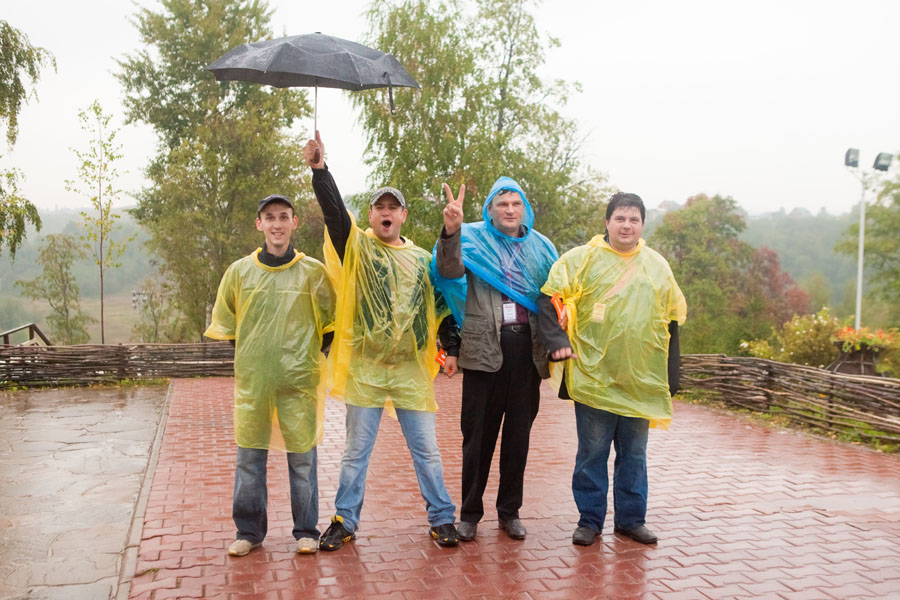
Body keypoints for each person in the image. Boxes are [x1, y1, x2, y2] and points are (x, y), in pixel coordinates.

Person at [302, 131, 461, 551]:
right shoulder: (358, 249)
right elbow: (335, 215)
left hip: (410, 370)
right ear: (371, 216)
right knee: (356, 452)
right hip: (366, 369)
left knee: (426, 450)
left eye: (393, 207)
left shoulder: (422, 260)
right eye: (379, 207)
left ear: (403, 215)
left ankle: (442, 517)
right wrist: (321, 171)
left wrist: (451, 349)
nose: (386, 213)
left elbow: (441, 306)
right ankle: (344, 520)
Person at [537, 192, 686, 546]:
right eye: (620, 218)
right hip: (593, 378)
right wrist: (557, 341)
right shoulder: (581, 260)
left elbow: (671, 321)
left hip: (640, 380)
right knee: (592, 453)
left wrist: (671, 374)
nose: (626, 225)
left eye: (634, 219)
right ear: (607, 222)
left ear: (643, 225)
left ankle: (631, 520)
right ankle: (589, 521)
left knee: (634, 454)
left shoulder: (656, 266)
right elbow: (549, 299)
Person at [205, 194, 336, 557]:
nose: (276, 224)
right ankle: (248, 532)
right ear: (259, 224)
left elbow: (330, 324)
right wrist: (255, 359)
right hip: (254, 385)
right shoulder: (239, 273)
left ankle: (306, 530)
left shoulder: (312, 272)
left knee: (303, 459)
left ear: (294, 222)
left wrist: (306, 360)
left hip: (299, 385)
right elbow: (229, 325)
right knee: (249, 459)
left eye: (283, 216)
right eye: (269, 217)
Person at [433, 177, 558, 541]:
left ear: (525, 210)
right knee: (477, 439)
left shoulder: (541, 248)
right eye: (502, 203)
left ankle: (510, 512)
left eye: (516, 203)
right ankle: (470, 514)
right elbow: (448, 272)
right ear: (489, 211)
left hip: (526, 354)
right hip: (483, 351)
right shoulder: (472, 240)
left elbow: (555, 296)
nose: (509, 209)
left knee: (518, 439)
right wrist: (451, 231)